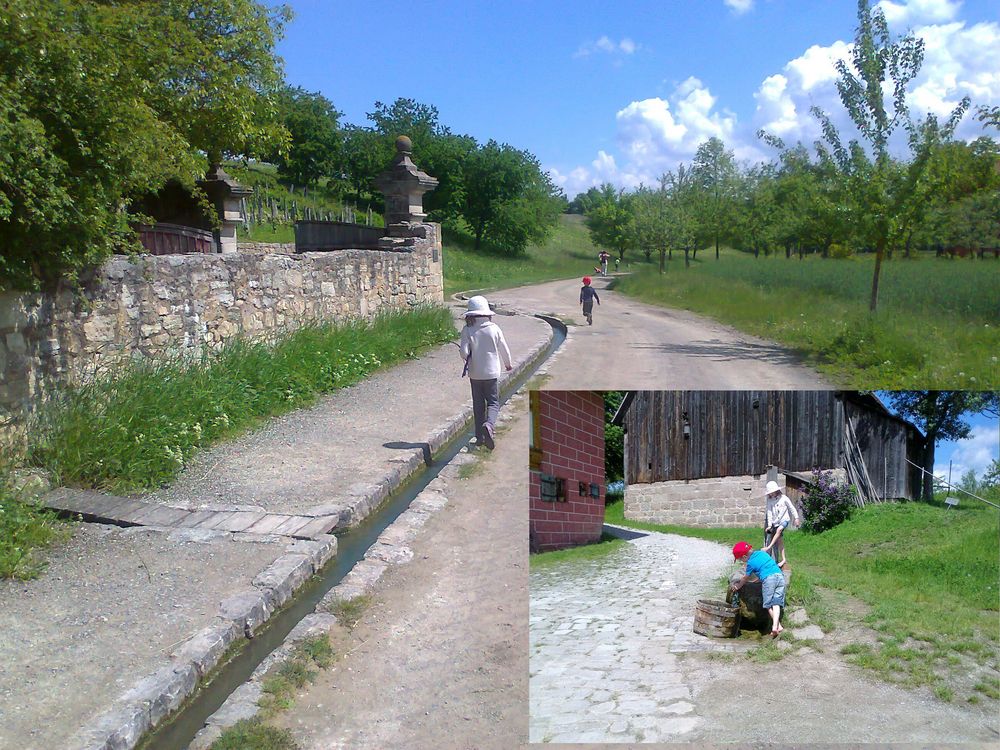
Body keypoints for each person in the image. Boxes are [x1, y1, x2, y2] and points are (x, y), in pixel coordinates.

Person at [458, 295, 512, 450]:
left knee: (478, 404)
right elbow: (504, 348)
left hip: (475, 374)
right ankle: (489, 424)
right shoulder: (494, 329)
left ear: (470, 315)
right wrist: (508, 364)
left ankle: (479, 437)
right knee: (494, 402)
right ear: (487, 314)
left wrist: (467, 355)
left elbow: (464, 352)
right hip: (492, 373)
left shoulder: (467, 330)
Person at [729, 541, 786, 638]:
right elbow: (765, 568)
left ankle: (774, 626)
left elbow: (745, 578)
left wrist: (738, 586)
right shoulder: (762, 553)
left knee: (768, 605)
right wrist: (757, 580)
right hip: (780, 576)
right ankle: (778, 626)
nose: (742, 561)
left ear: (744, 557)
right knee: (776, 603)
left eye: (740, 560)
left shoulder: (750, 563)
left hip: (769, 580)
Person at [762, 480, 800, 568]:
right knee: (780, 542)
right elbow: (769, 512)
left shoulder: (784, 498)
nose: (770, 494)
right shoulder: (769, 500)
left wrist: (797, 518)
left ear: (776, 491)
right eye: (769, 493)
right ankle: (783, 559)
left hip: (784, 520)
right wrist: (769, 525)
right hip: (775, 523)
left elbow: (792, 508)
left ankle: (768, 547)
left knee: (779, 530)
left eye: (772, 492)